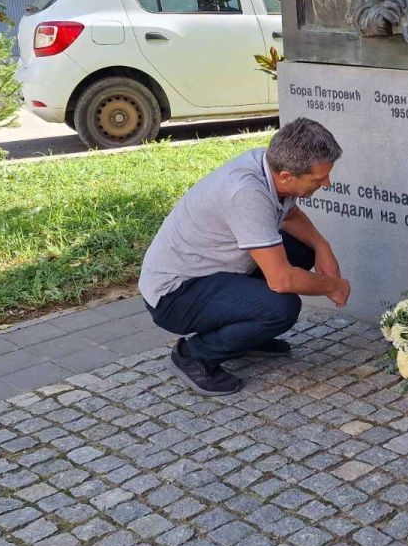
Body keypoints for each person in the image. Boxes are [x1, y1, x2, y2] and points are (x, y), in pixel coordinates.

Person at [140, 118, 350, 395]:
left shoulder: (268, 166)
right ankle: (193, 356)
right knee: (281, 307)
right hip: (175, 295)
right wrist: (334, 286)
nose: (328, 183)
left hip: (212, 274)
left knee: (303, 248)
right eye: (319, 179)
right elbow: (282, 280)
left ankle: (244, 337)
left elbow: (291, 216)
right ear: (287, 176)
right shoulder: (246, 193)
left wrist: (323, 248)